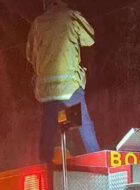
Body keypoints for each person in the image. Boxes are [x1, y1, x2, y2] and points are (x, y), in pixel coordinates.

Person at [27, 0, 100, 163]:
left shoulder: (38, 23)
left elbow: (30, 55)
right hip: (69, 86)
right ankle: (96, 158)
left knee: (48, 126)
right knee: (84, 123)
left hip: (47, 89)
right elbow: (90, 39)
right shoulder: (71, 17)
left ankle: (45, 163)